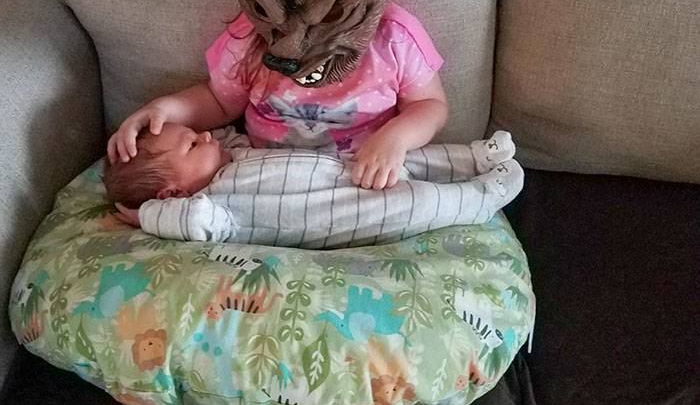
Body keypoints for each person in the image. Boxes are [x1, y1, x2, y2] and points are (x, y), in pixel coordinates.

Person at [62, 0, 522, 405]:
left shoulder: (392, 37)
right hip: (246, 188)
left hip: (347, 193)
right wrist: (165, 109)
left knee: (312, 326)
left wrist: (396, 138)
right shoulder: (249, 41)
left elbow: (429, 105)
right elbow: (218, 100)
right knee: (183, 306)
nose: (294, 39)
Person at [104, 123, 522, 247]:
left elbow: (226, 132)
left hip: (343, 167)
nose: (207, 137)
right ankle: (483, 197)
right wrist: (145, 215)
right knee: (418, 203)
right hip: (347, 217)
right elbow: (187, 219)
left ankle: (475, 157)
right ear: (171, 193)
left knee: (407, 159)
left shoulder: (228, 155)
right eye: (193, 144)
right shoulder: (211, 211)